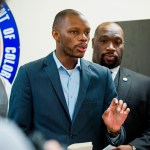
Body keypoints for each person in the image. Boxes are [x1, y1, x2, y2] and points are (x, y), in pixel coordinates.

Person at [8, 9, 130, 150]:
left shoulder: (102, 76)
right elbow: (16, 132)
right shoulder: (28, 74)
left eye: (86, 32)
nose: (83, 38)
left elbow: (116, 138)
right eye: (74, 32)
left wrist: (114, 130)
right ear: (56, 35)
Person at [92, 22, 150, 150]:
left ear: (123, 45)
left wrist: (133, 147)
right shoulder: (74, 80)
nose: (111, 47)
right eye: (104, 41)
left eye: (117, 42)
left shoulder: (145, 85)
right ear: (92, 43)